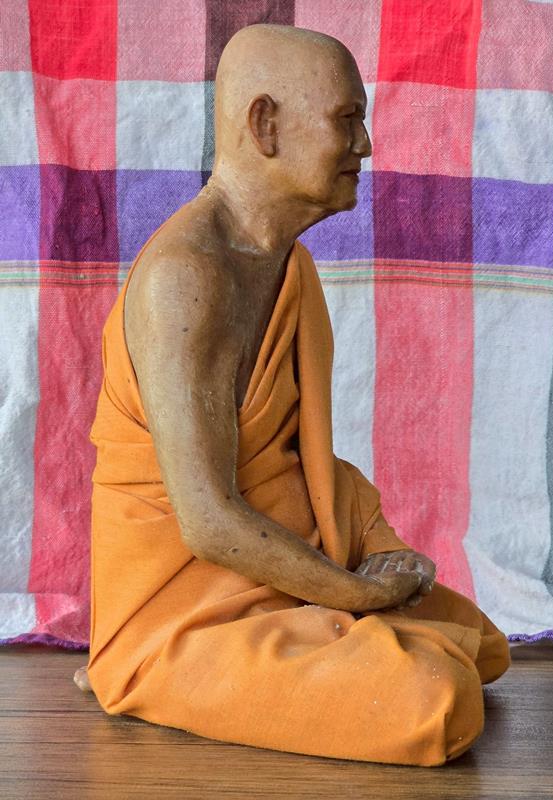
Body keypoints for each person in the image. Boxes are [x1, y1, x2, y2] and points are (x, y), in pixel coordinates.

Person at [75, 23, 510, 766]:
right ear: (265, 125)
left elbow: (298, 462)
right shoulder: (185, 279)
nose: (365, 144)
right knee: (437, 700)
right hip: (185, 611)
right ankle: (141, 672)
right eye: (347, 119)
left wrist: (376, 549)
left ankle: (313, 632)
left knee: (482, 644)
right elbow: (209, 522)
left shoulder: (287, 264)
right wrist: (354, 594)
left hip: (273, 572)